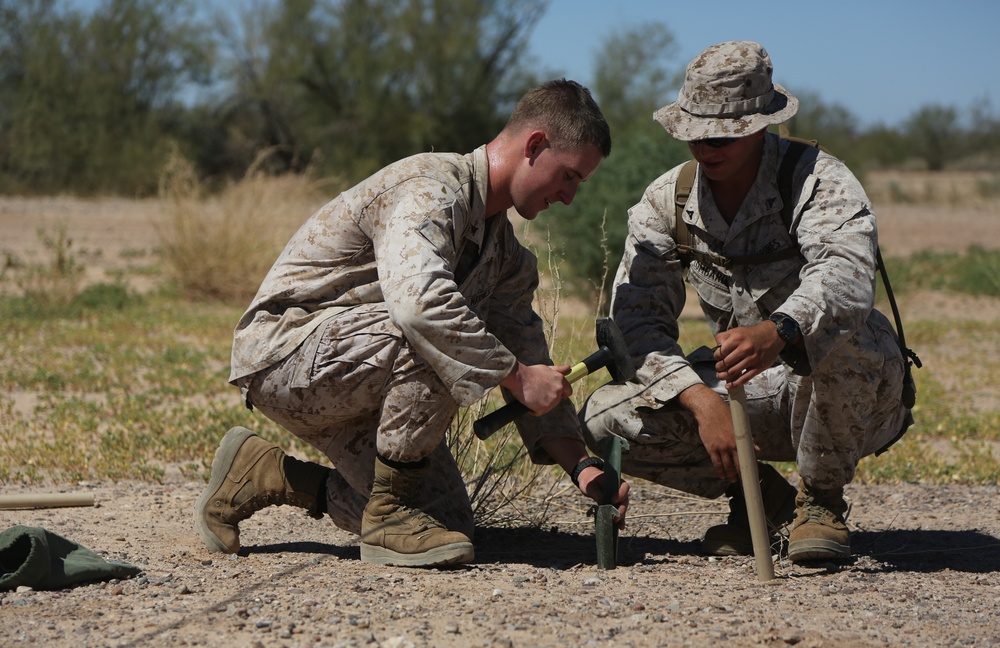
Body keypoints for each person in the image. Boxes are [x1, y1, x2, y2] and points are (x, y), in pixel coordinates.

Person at [195, 79, 630, 568]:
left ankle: (264, 473)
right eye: (569, 176)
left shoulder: (505, 256)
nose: (570, 197)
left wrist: (583, 466)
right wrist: (516, 377)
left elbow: (530, 360)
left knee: (447, 524)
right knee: (433, 328)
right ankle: (389, 514)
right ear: (535, 145)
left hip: (358, 373)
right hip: (284, 357)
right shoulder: (430, 189)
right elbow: (418, 308)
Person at [580, 41, 912, 563]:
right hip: (743, 395)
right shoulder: (666, 202)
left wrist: (779, 331)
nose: (705, 148)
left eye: (721, 136)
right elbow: (638, 326)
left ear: (760, 125)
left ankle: (820, 504)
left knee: (851, 334)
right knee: (608, 414)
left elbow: (847, 278)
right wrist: (701, 401)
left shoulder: (818, 179)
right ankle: (761, 500)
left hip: (857, 394)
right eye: (694, 135)